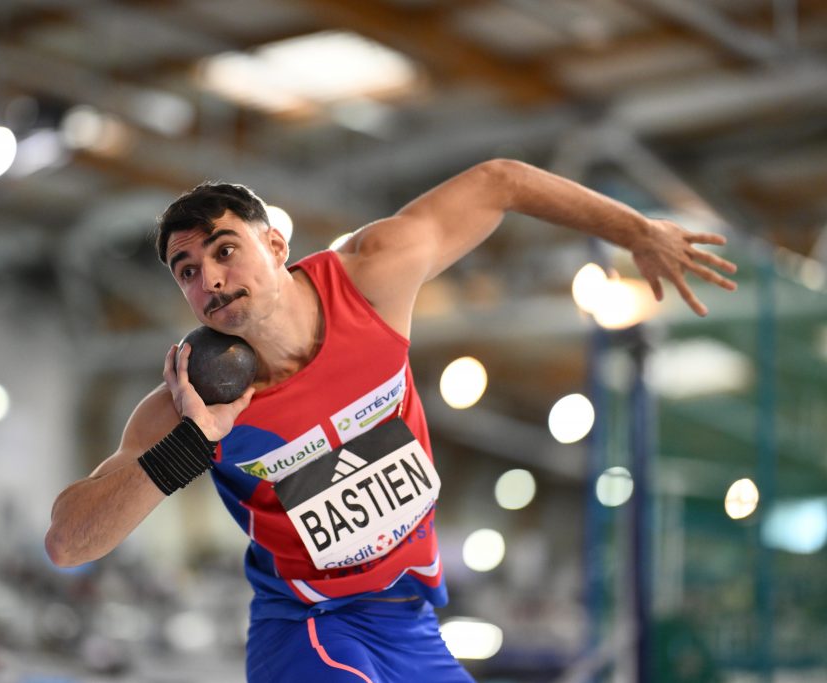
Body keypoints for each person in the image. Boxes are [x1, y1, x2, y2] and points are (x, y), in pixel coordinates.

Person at [45, 158, 737, 681]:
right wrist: (192, 445)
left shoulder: (371, 279)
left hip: (408, 621)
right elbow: (69, 541)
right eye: (186, 270)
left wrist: (638, 229)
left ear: (276, 246)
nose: (210, 279)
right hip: (307, 629)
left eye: (225, 250)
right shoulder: (188, 402)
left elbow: (500, 182)